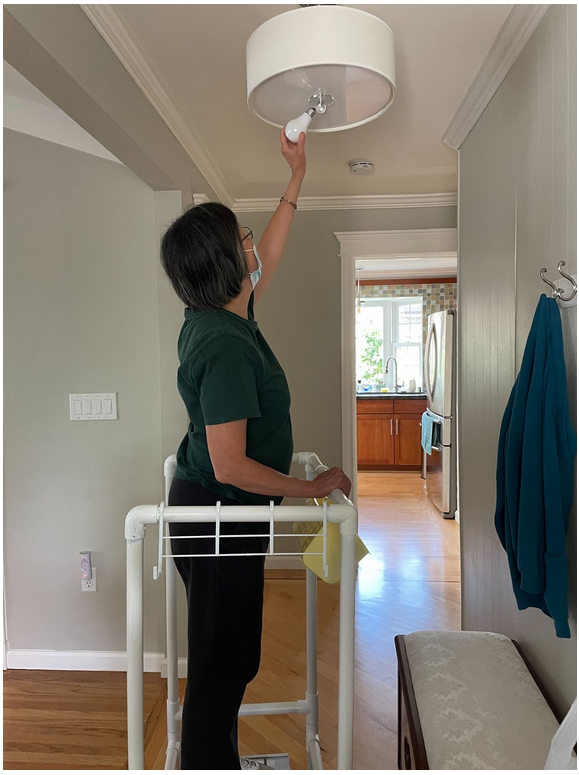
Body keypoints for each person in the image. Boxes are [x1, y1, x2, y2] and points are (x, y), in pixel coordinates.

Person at [160, 128, 352, 770]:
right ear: (227, 266)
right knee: (222, 665)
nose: (252, 244)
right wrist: (313, 489)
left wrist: (295, 177)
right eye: (240, 239)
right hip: (215, 512)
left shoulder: (227, 314)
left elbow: (271, 247)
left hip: (226, 512)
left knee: (232, 658)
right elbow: (231, 465)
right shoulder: (222, 343)